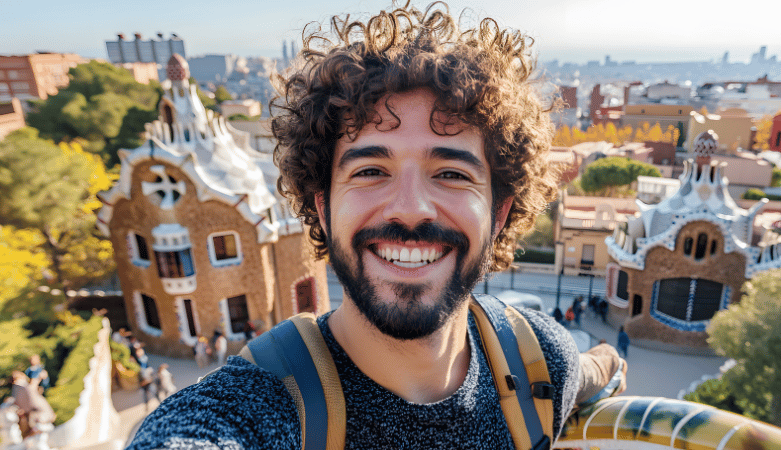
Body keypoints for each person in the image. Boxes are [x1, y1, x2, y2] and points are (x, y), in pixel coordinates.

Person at [128, 3, 624, 449]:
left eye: (451, 174)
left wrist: (608, 364)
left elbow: (584, 372)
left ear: (498, 213)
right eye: (370, 171)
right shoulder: (261, 409)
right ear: (323, 208)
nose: (410, 209)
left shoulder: (538, 364)